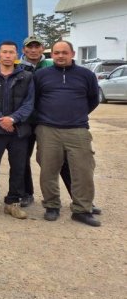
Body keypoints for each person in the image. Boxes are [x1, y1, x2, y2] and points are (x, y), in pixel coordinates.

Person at [34, 40, 101, 227]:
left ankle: (82, 209)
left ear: (72, 53)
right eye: (56, 53)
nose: (60, 56)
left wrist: (76, 115)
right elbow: (35, 100)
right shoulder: (40, 75)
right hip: (48, 130)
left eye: (64, 52)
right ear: (51, 55)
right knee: (48, 170)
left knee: (83, 171)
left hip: (77, 130)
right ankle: (52, 206)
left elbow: (93, 99)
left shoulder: (86, 75)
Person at [0, 41, 34, 220]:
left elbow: (29, 102)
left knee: (18, 167)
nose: (8, 55)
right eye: (5, 52)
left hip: (18, 130)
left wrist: (13, 119)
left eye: (11, 52)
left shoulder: (26, 76)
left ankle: (13, 203)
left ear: (17, 55)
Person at [19, 35, 52, 207]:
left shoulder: (52, 66)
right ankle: (26, 193)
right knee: (23, 158)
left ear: (42, 48)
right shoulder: (17, 67)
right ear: (24, 49)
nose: (33, 50)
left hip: (48, 121)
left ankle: (78, 198)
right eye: (29, 47)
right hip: (25, 121)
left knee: (55, 160)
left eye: (36, 46)